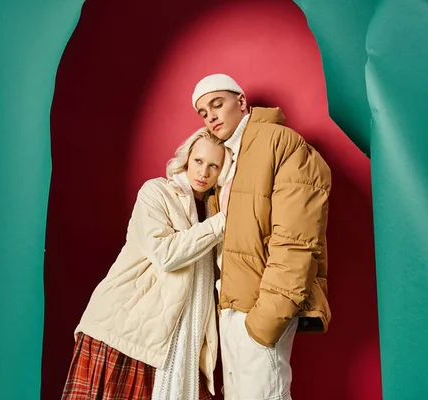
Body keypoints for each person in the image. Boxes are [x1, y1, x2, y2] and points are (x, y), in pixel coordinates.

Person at [61, 128, 232, 400]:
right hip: (128, 328)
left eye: (214, 165)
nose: (204, 172)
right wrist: (222, 223)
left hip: (180, 339)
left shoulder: (213, 211)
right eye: (199, 161)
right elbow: (165, 254)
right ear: (187, 158)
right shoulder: (156, 192)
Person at [192, 74, 331, 400]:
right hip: (230, 309)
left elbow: (297, 240)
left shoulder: (281, 142)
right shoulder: (224, 163)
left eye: (217, 104)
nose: (210, 116)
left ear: (241, 102)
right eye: (202, 112)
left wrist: (265, 320)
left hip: (260, 309)